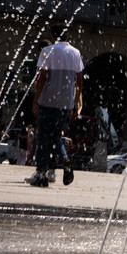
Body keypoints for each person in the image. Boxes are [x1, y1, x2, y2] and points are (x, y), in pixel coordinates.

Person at [28, 32, 83, 188]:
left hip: (48, 100)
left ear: (53, 36)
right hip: (66, 103)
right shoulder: (75, 52)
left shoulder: (48, 51)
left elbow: (42, 78)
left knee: (43, 138)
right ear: (68, 37)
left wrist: (35, 100)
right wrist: (76, 104)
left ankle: (42, 175)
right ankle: (65, 161)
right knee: (55, 135)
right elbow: (79, 81)